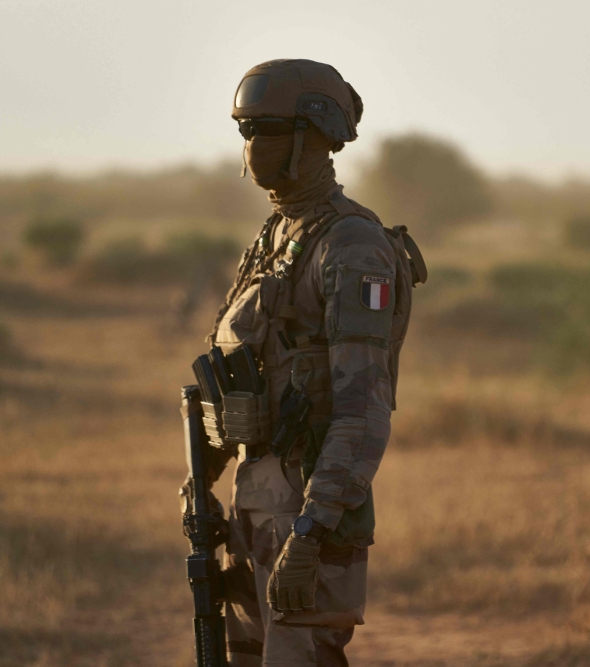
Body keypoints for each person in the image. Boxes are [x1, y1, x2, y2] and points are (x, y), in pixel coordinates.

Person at [181, 59, 424, 666]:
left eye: (269, 129)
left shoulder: (352, 246)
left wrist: (311, 535)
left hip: (307, 514)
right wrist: (201, 481)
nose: (253, 146)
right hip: (253, 507)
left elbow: (362, 411)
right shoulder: (275, 235)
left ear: (315, 135)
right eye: (246, 130)